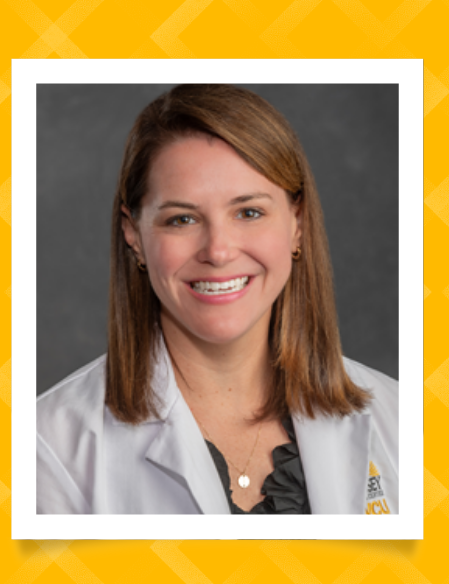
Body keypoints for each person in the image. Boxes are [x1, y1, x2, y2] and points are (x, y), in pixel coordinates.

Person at [36, 84, 398, 514]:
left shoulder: (405, 420)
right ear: (133, 234)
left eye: (249, 212)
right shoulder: (45, 448)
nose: (219, 251)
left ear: (297, 223)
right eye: (182, 219)